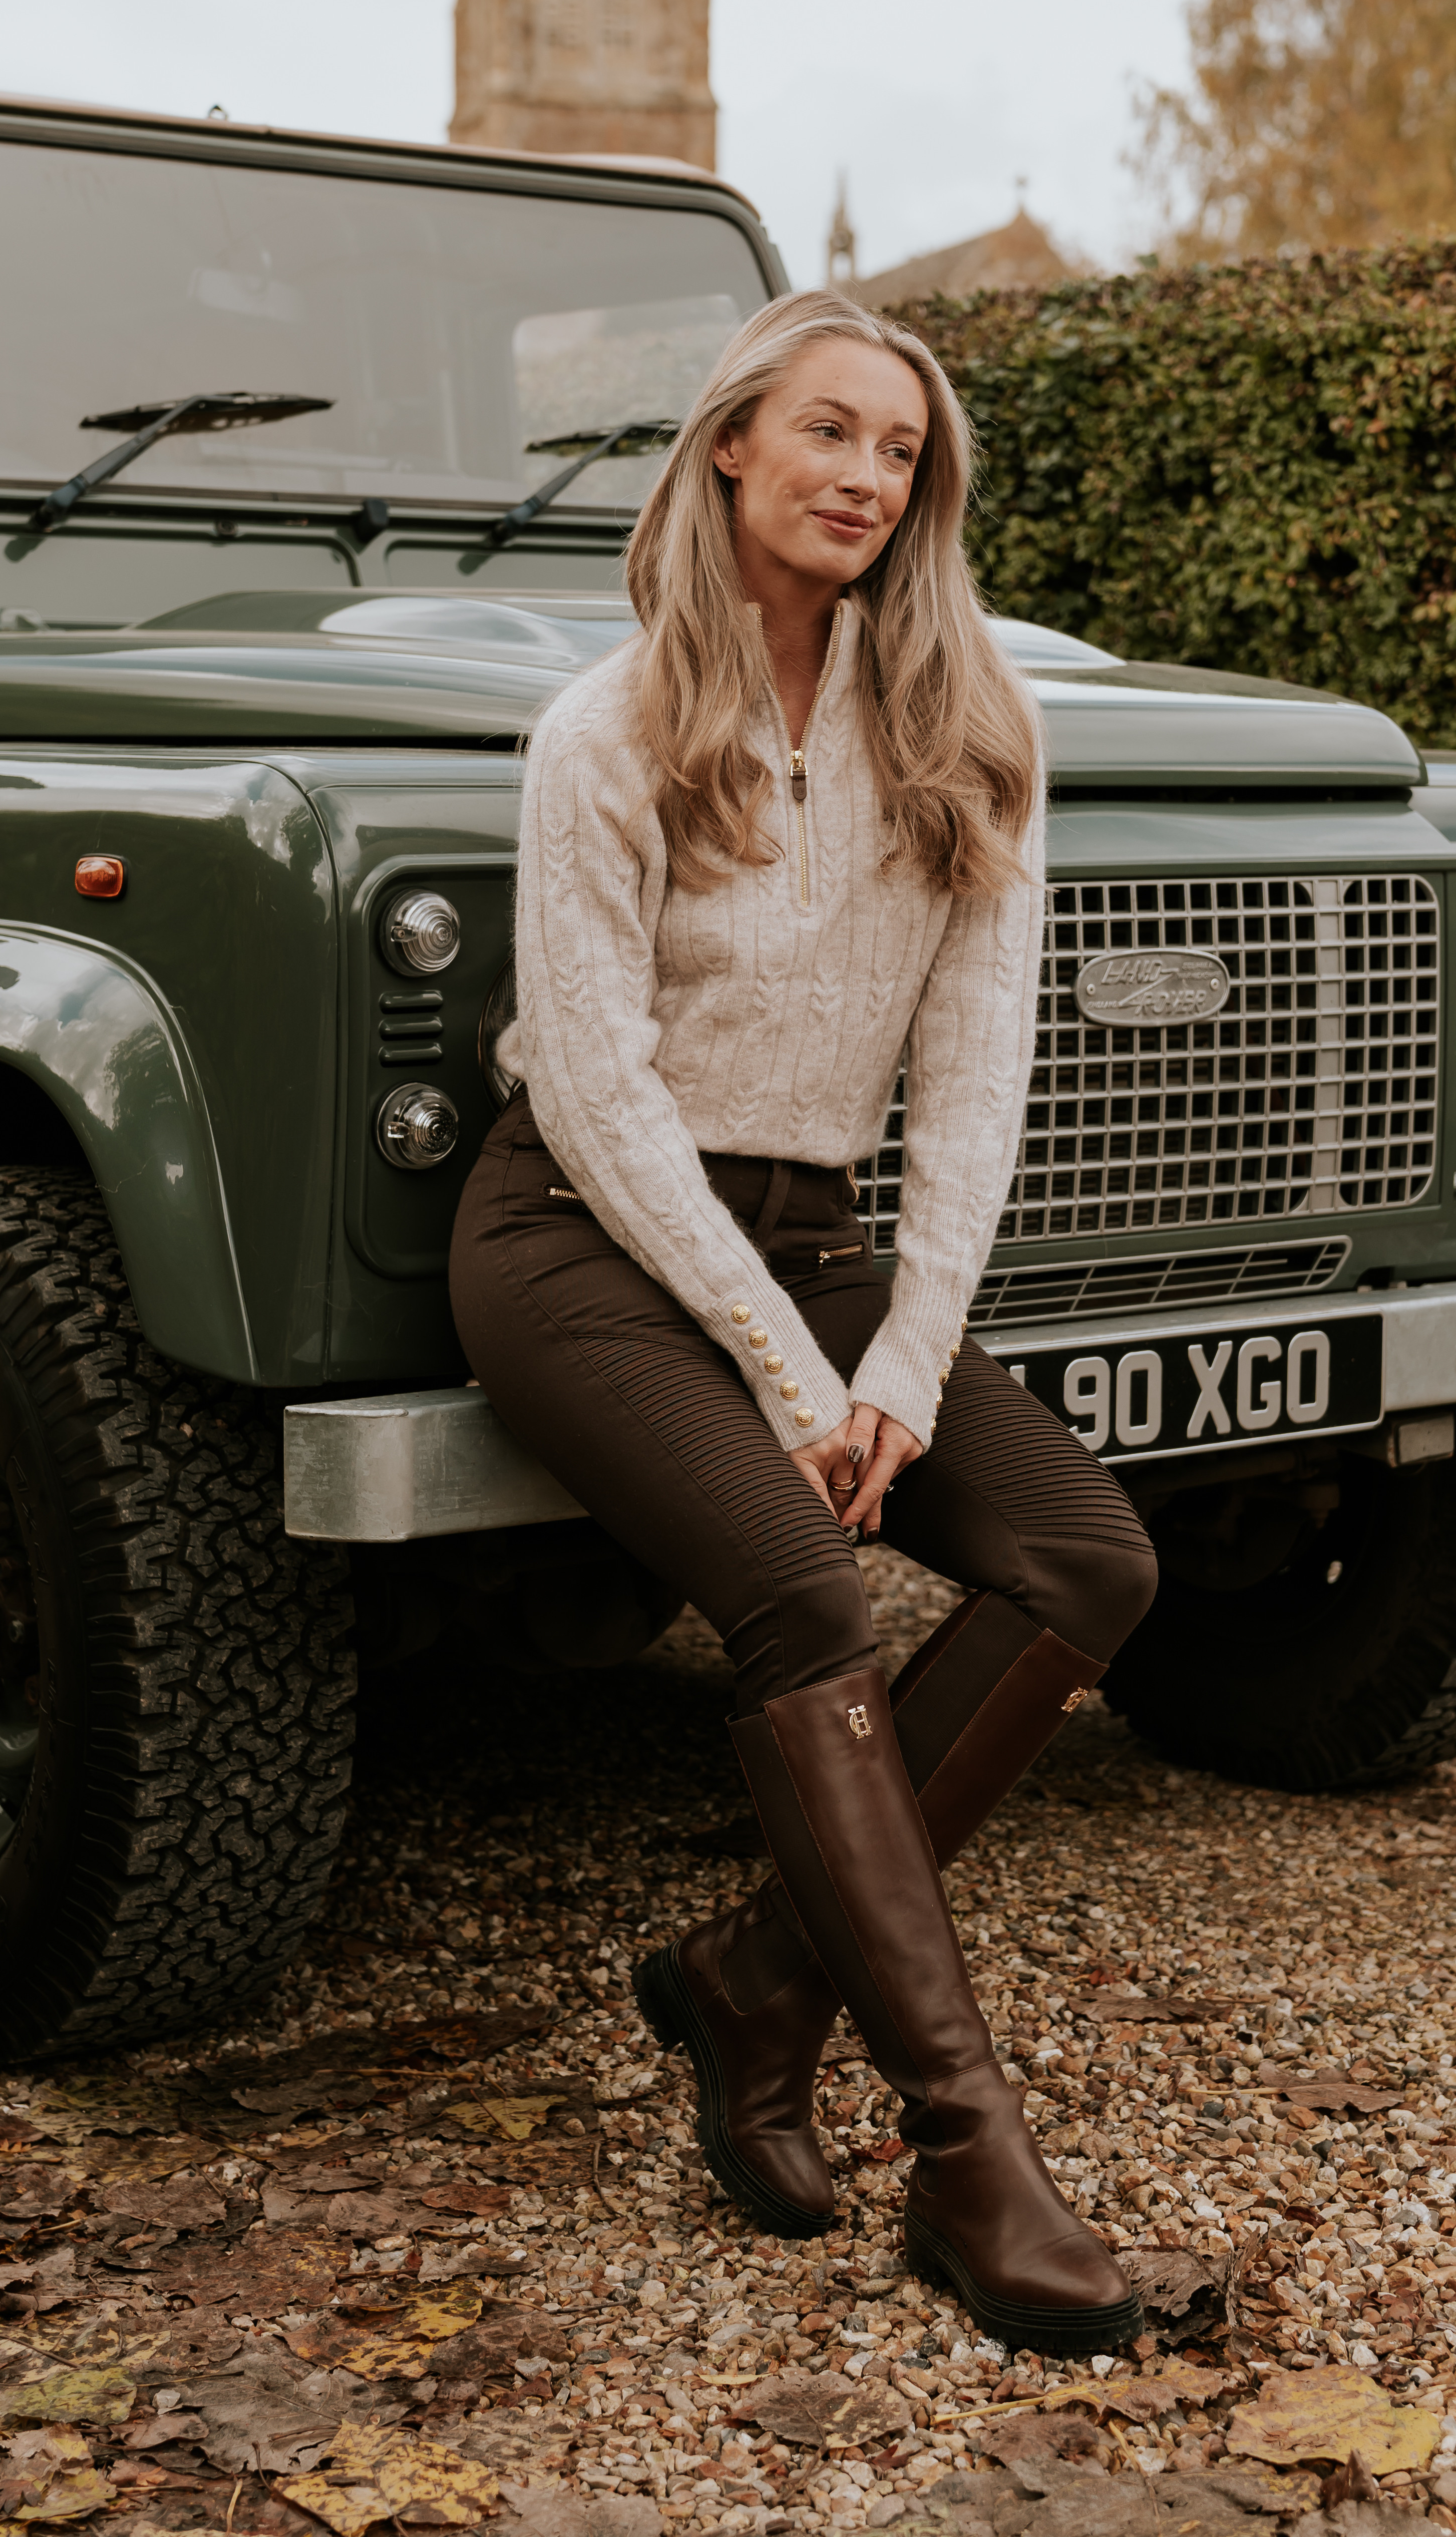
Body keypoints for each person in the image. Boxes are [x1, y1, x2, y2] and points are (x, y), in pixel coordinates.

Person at [450, 287, 1159, 2356]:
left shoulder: (968, 726)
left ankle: (756, 1978)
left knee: (1084, 1557)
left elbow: (976, 1074)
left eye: (901, 454)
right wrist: (786, 1376)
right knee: (807, 1598)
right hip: (577, 1235)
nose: (866, 476)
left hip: (822, 1233)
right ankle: (969, 2154)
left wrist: (901, 1369)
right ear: (732, 447)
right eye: (828, 433)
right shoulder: (604, 729)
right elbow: (588, 1086)